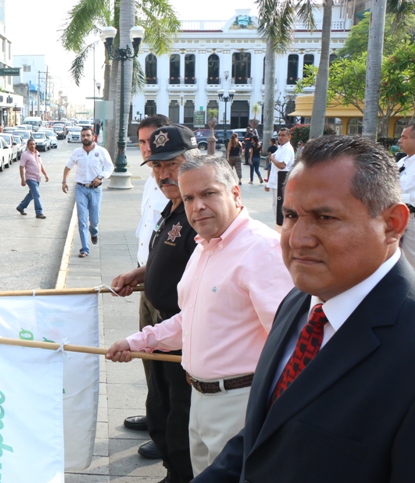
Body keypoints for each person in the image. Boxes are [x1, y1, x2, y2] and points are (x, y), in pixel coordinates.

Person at [194, 135, 415, 483]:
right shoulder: (299, 301)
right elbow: (260, 439)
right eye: (291, 215)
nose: (297, 238)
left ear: (392, 224)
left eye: (325, 217)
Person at [107, 155, 294, 475]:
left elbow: (288, 344)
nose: (197, 206)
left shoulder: (263, 251)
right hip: (200, 399)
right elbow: (191, 319)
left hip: (240, 404)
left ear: (235, 193)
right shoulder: (203, 246)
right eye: (189, 197)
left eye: (209, 193)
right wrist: (139, 340)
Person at [109, 125, 199, 483]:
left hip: (182, 331)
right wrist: (141, 273)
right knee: (159, 404)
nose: (164, 174)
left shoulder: (197, 212)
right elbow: (168, 259)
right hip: (161, 325)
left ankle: (180, 474)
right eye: (157, 167)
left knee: (179, 413)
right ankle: (170, 467)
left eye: (173, 165)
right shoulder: (174, 206)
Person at [123, 114, 173, 461]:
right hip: (148, 282)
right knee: (149, 362)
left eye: (151, 142)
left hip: (170, 293)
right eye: (141, 143)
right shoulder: (150, 180)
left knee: (167, 366)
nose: (146, 150)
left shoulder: (180, 186)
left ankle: (167, 432)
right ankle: (155, 416)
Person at [62, 126, 114, 258]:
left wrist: (100, 177)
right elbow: (68, 166)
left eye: (88, 135)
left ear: (93, 136)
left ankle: (94, 232)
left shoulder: (101, 151)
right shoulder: (77, 152)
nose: (85, 138)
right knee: (82, 220)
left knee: (94, 220)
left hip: (95, 189)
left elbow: (110, 167)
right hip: (80, 188)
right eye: (83, 135)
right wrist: (64, 181)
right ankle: (85, 248)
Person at [265, 128, 293, 228]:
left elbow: (282, 165)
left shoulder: (287, 149)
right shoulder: (280, 148)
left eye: (283, 135)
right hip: (275, 182)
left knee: (279, 207)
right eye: (279, 135)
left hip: (280, 182)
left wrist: (272, 159)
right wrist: (269, 182)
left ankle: (281, 228)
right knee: (275, 206)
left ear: (289, 137)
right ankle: (278, 227)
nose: (280, 137)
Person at [16, 138, 49, 219]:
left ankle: (21, 207)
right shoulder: (25, 155)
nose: (32, 146)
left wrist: (45, 174)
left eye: (34, 144)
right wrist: (22, 179)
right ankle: (39, 212)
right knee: (36, 194)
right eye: (30, 144)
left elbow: (40, 165)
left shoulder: (37, 153)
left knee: (32, 194)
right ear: (27, 145)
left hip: (38, 178)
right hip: (30, 178)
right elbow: (21, 167)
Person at [397, 124, 415, 266]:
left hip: (412, 220)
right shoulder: (402, 162)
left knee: (410, 261)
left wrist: (396, 197)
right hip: (397, 217)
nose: (399, 140)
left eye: (404, 137)